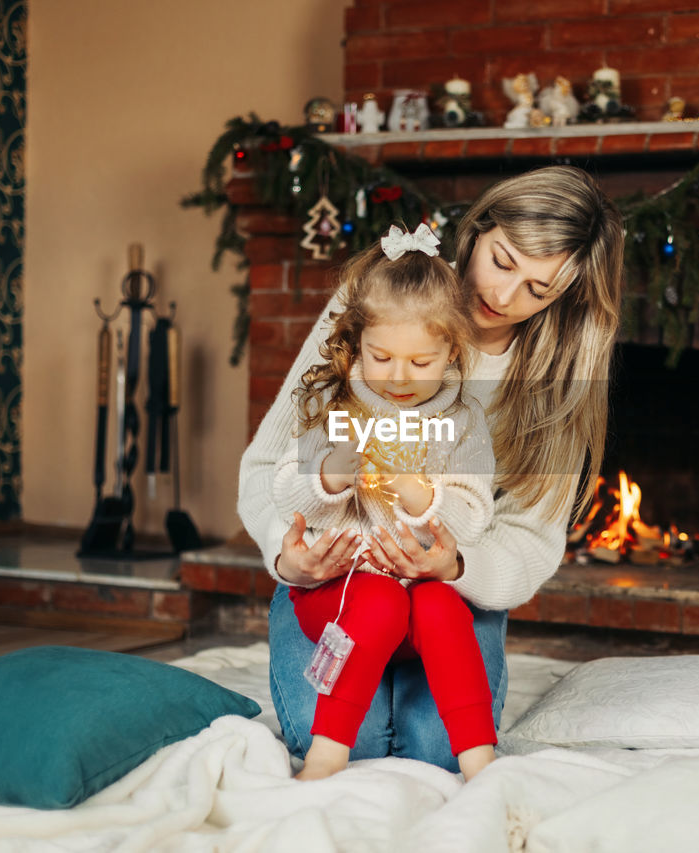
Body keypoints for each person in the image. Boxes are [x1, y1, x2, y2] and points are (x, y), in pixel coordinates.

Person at [238, 165, 624, 774]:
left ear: (562, 297)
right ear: (479, 230)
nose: (503, 296)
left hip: (448, 590)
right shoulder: (382, 300)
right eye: (503, 260)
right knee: (348, 744)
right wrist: (290, 560)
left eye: (538, 289)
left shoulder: (554, 380)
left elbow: (529, 538)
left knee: (440, 751)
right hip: (336, 581)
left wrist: (456, 565)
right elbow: (271, 464)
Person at [276, 225, 498, 780]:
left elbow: (474, 512)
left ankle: (482, 763)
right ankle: (328, 753)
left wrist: (425, 497)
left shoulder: (463, 422)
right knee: (379, 600)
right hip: (342, 589)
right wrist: (328, 476)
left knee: (443, 607)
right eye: (381, 357)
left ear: (452, 349)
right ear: (357, 345)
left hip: (421, 588)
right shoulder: (338, 405)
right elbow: (285, 491)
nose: (400, 377)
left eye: (421, 363)